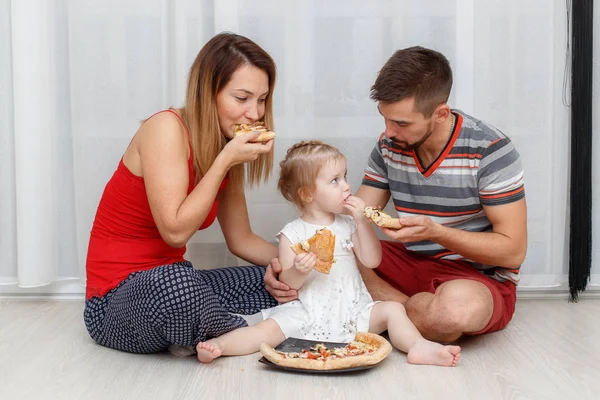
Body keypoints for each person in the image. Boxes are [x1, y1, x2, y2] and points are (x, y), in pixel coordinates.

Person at [265, 46, 527, 343]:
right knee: (348, 243)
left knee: (450, 313)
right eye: (385, 118)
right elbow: (349, 216)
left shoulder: (490, 150)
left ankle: (401, 312)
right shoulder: (390, 145)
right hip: (407, 263)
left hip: (472, 276)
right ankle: (409, 316)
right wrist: (287, 267)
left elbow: (512, 250)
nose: (388, 132)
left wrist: (437, 233)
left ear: (440, 114)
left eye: (401, 123)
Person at [84, 32, 282, 356]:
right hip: (114, 302)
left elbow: (242, 240)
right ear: (209, 93)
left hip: (176, 285)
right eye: (242, 98)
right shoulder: (165, 127)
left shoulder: (223, 147)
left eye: (262, 99)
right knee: (176, 285)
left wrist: (294, 267)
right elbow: (174, 232)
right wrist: (224, 161)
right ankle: (261, 330)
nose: (255, 113)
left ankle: (202, 332)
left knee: (272, 282)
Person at [195, 141, 461, 367]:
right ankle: (219, 345)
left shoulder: (347, 225)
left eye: (345, 176)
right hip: (307, 311)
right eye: (335, 180)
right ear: (308, 194)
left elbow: (372, 260)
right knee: (264, 331)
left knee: (393, 310)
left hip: (354, 310)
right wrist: (299, 269)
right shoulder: (293, 233)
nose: (346, 186)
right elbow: (289, 284)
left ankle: (418, 346)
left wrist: (362, 223)